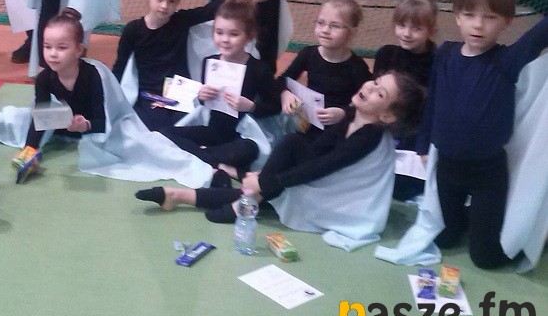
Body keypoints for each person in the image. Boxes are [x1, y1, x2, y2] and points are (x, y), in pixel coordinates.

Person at [0, 9, 213, 187]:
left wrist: (84, 125)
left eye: (62, 47)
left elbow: (105, 121)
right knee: (13, 118)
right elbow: (40, 118)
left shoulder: (94, 75)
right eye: (47, 47)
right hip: (60, 125)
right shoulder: (45, 78)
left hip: (93, 128)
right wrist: (31, 150)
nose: (53, 54)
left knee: (142, 146)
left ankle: (205, 166)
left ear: (78, 50)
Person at [137, 72, 424, 225]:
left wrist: (267, 181)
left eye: (379, 93)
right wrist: (267, 178)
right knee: (288, 152)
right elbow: (316, 150)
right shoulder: (351, 116)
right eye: (375, 82)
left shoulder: (369, 136)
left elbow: (323, 167)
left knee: (272, 180)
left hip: (341, 203)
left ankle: (203, 198)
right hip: (321, 181)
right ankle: (180, 196)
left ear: (387, 115)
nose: (369, 87)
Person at [413, 0, 548, 268]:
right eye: (470, 15)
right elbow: (433, 101)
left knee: (485, 259)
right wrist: (423, 143)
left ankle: (497, 226)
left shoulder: (507, 61)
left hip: (487, 173)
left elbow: (540, 34)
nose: (478, 24)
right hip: (448, 166)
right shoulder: (445, 54)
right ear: (457, 16)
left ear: (506, 22)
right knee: (443, 238)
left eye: (490, 17)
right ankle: (473, 219)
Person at [112, 0, 276, 130]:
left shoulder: (180, 21)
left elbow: (215, 7)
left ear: (178, 1)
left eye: (172, 1)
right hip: (148, 96)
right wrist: (112, 99)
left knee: (182, 128)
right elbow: (119, 68)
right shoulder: (133, 30)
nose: (164, 6)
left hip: (181, 95)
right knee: (149, 129)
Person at [159, 0, 280, 173]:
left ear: (249, 37)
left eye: (234, 34)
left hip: (241, 135)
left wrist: (251, 106)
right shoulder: (209, 62)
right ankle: (217, 162)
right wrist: (202, 96)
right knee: (163, 134)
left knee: (249, 150)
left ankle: (202, 156)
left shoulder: (258, 69)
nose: (225, 39)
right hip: (213, 131)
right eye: (219, 32)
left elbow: (275, 106)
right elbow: (205, 103)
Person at [373, 0, 438, 200]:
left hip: (417, 133)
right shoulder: (386, 55)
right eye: (401, 25)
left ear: (431, 29)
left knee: (403, 189)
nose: (407, 33)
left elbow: (434, 109)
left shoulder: (439, 61)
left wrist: (423, 147)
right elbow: (375, 99)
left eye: (416, 28)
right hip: (385, 127)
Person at [278, 0, 371, 126]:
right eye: (320, 23)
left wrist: (344, 113)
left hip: (339, 126)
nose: (325, 30)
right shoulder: (308, 54)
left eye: (335, 26)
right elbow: (282, 80)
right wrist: (285, 94)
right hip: (309, 121)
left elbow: (369, 103)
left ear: (352, 33)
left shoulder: (357, 67)